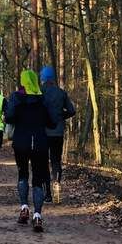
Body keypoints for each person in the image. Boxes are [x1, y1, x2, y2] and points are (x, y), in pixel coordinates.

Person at [5, 69, 58, 233]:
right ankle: (37, 216)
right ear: (36, 81)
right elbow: (53, 123)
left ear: (23, 82)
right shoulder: (44, 99)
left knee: (22, 174)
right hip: (40, 143)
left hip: (21, 142)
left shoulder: (16, 97)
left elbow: (9, 117)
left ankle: (24, 208)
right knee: (38, 179)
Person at [39, 66, 76, 204]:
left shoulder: (39, 92)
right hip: (58, 132)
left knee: (43, 162)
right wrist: (61, 116)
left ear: (42, 78)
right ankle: (57, 183)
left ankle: (47, 194)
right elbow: (72, 111)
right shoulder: (61, 93)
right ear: (53, 78)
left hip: (43, 133)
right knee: (56, 160)